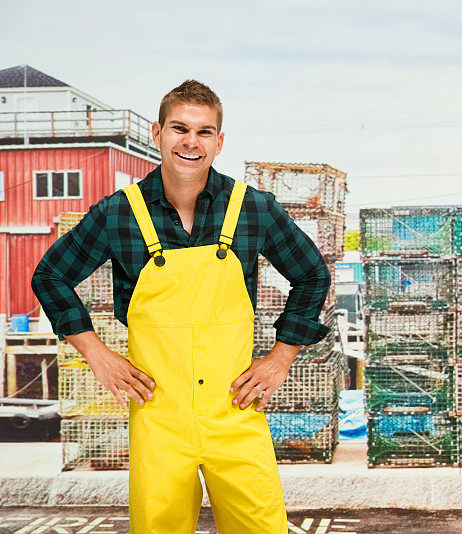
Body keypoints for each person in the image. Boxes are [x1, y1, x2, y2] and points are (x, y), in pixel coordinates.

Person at [31, 80, 332, 533]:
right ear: (157, 133)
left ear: (219, 141)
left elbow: (312, 274)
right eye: (179, 128)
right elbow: (49, 276)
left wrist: (281, 356)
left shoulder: (252, 208)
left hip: (235, 411)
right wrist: (97, 353)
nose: (191, 142)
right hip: (158, 416)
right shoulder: (119, 213)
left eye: (205, 131)